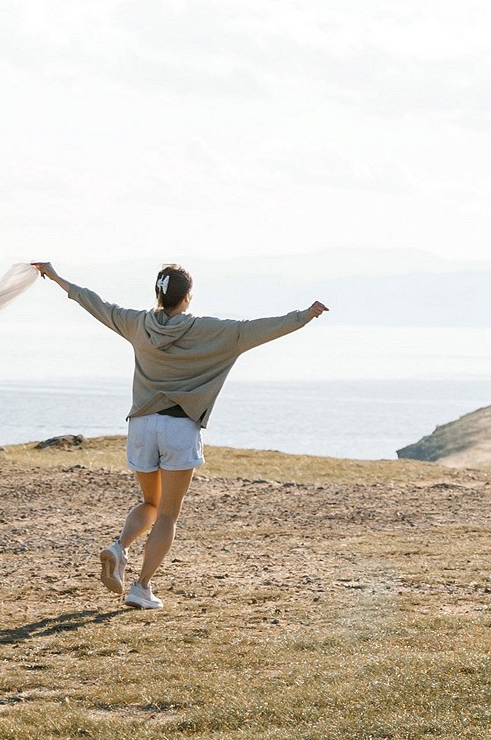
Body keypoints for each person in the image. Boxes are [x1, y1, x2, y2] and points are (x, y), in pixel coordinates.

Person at [30, 261, 326, 610]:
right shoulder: (210, 331)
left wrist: (56, 276)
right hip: (179, 427)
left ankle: (119, 547)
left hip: (141, 426)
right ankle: (141, 587)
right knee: (168, 514)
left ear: (158, 294)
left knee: (150, 503)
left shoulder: (137, 323)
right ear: (188, 296)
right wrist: (304, 316)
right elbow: (257, 329)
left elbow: (95, 303)